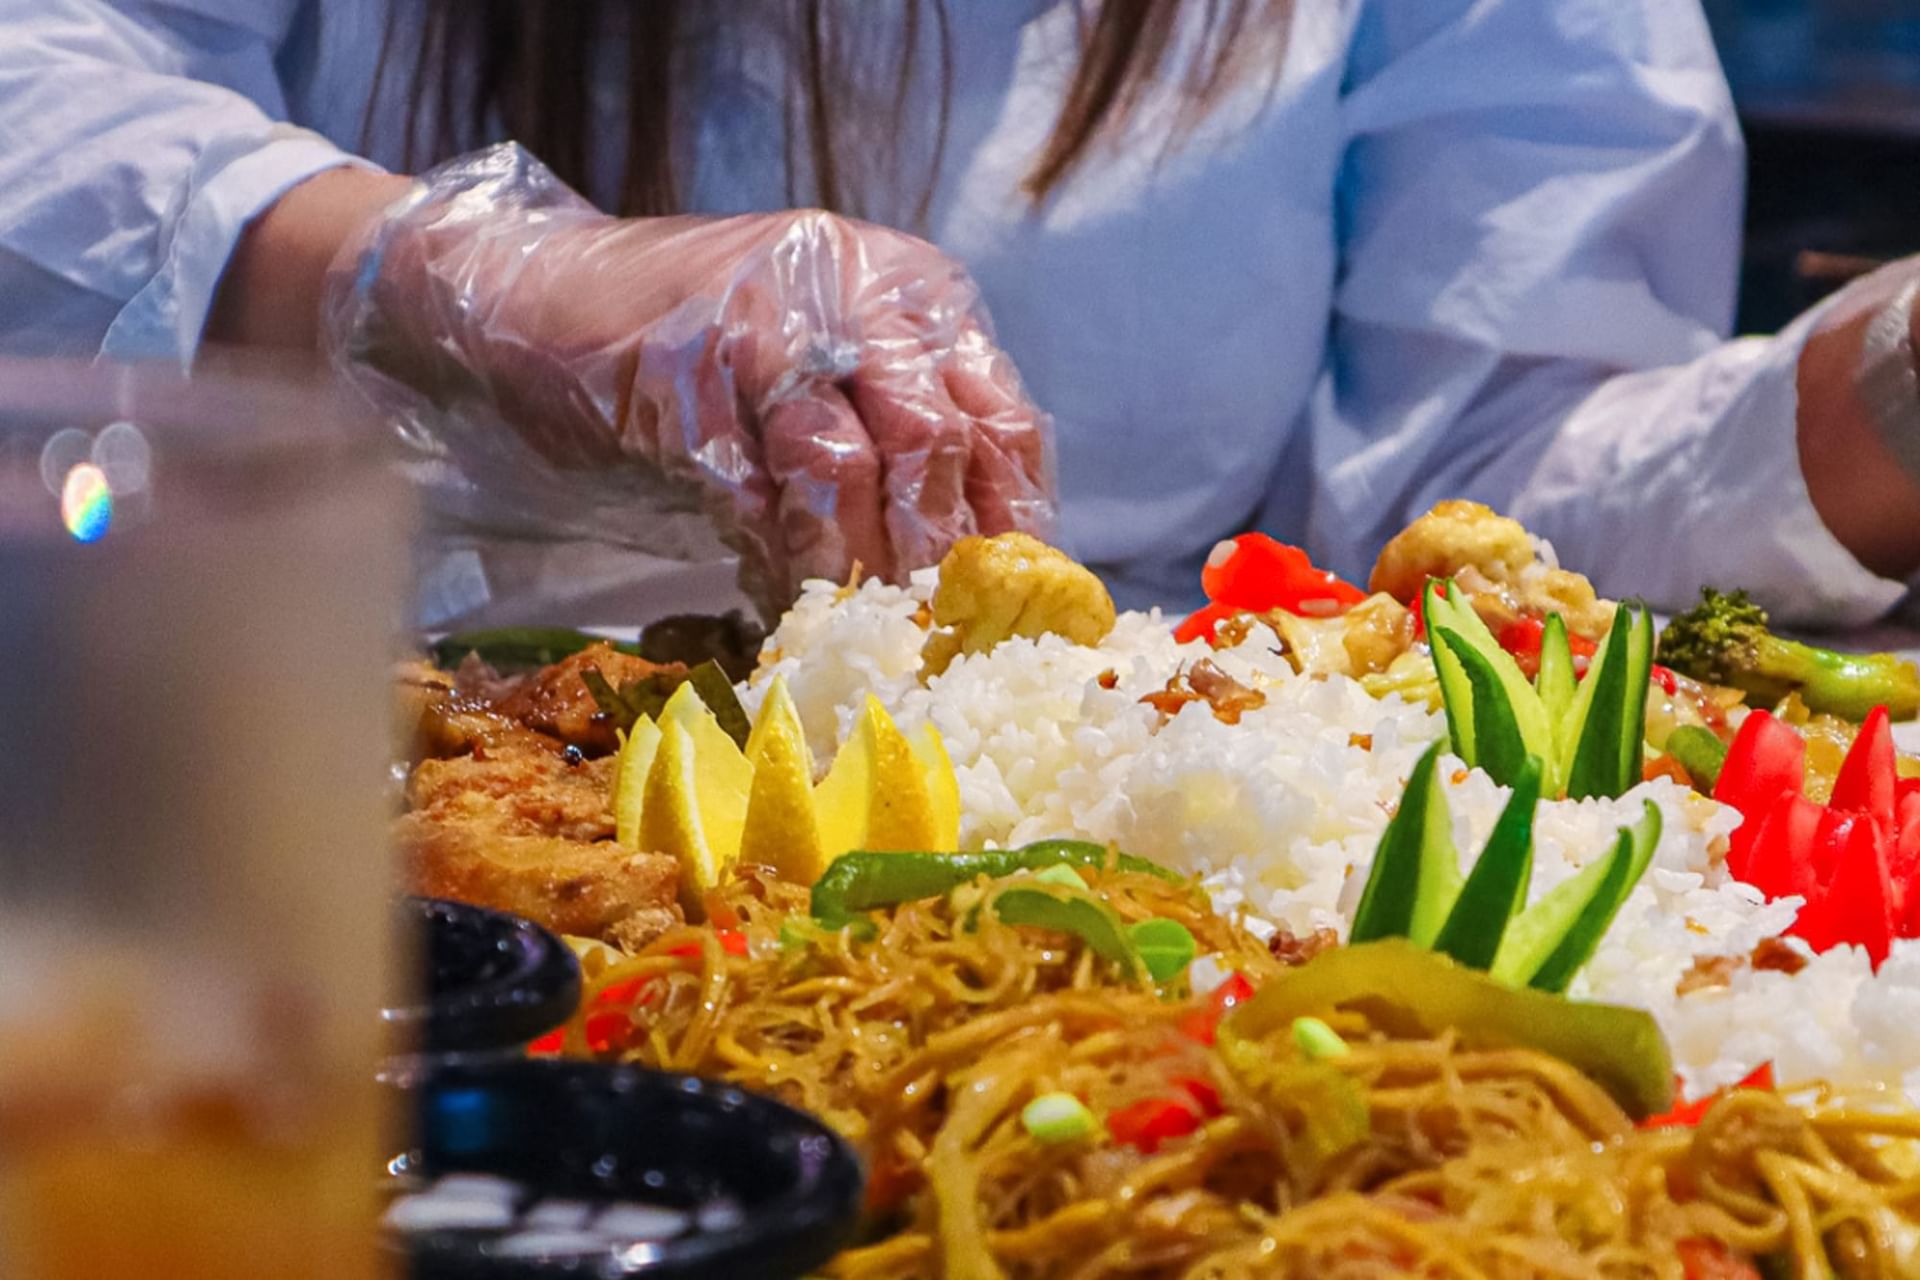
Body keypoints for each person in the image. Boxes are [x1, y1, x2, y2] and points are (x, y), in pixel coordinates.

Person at [1, 0, 1916, 626]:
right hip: (281, 757)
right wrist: (435, 269)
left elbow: (1472, 498)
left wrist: (1874, 409)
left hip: (1118, 868)